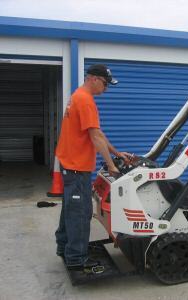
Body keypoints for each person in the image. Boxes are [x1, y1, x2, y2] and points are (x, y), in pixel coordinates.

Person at [55, 64, 131, 271]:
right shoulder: (85, 100)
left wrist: (116, 154)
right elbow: (95, 136)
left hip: (70, 164)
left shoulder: (77, 96)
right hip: (77, 166)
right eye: (105, 84)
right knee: (81, 213)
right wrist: (111, 166)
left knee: (70, 209)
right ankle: (77, 259)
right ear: (94, 79)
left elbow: (97, 132)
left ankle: (63, 247)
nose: (106, 89)